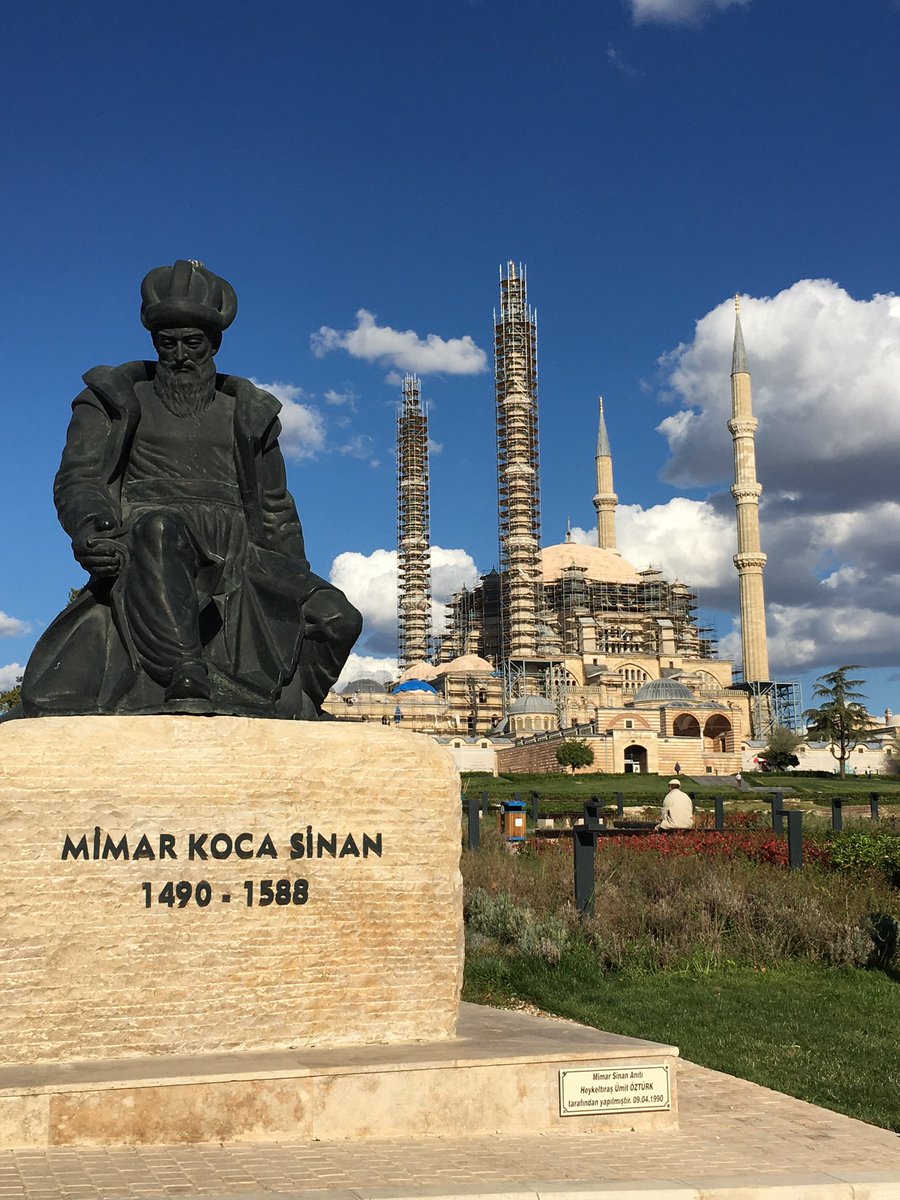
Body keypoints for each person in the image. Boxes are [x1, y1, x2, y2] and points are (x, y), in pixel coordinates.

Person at [21, 260, 362, 719]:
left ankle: (298, 703)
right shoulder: (114, 398)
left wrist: (297, 580)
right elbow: (79, 478)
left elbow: (276, 506)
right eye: (168, 343)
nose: (180, 354)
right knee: (162, 528)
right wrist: (89, 528)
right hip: (150, 540)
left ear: (214, 343)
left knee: (339, 619)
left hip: (241, 549)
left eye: (192, 343)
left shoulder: (248, 412)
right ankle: (185, 672)